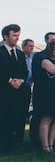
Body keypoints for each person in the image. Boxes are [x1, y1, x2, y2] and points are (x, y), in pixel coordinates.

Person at [0, 24, 29, 153]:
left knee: (15, 117)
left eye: (18, 35)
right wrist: (9, 80)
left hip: (18, 92)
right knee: (3, 118)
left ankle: (12, 143)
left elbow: (24, 71)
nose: (17, 38)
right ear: (5, 36)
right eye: (14, 35)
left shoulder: (20, 54)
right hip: (3, 91)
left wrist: (20, 80)